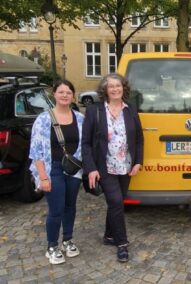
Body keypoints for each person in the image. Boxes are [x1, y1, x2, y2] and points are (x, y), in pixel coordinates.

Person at [82, 73, 144, 263]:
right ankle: (121, 243)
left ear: (123, 88)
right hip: (105, 168)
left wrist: (138, 162)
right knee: (117, 202)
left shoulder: (130, 109)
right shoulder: (95, 111)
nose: (115, 89)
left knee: (116, 203)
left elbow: (139, 139)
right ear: (105, 90)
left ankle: (109, 235)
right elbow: (85, 143)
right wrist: (91, 168)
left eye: (118, 86)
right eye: (111, 86)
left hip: (125, 167)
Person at [29, 80, 84, 265]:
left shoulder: (79, 118)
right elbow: (36, 151)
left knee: (70, 207)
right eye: (61, 92)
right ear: (54, 94)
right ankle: (52, 246)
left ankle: (67, 240)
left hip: (73, 169)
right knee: (56, 209)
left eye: (69, 92)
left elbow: (85, 144)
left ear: (73, 96)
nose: (65, 95)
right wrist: (43, 177)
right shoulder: (44, 119)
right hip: (52, 169)